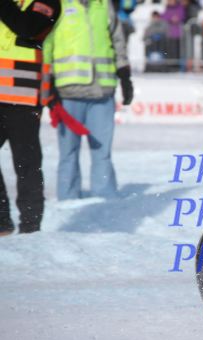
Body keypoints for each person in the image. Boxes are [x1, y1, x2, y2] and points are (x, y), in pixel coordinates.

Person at [41, 0, 133, 201]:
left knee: (102, 152)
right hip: (67, 93)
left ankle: (105, 199)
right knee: (68, 152)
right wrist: (47, 85)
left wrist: (124, 75)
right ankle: (68, 199)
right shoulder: (60, 5)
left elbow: (118, 40)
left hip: (102, 92)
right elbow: (47, 45)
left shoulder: (104, 5)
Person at [0, 0, 60, 235]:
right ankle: (1, 220)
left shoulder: (47, 2)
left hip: (25, 95)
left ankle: (31, 227)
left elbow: (27, 27)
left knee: (26, 163)